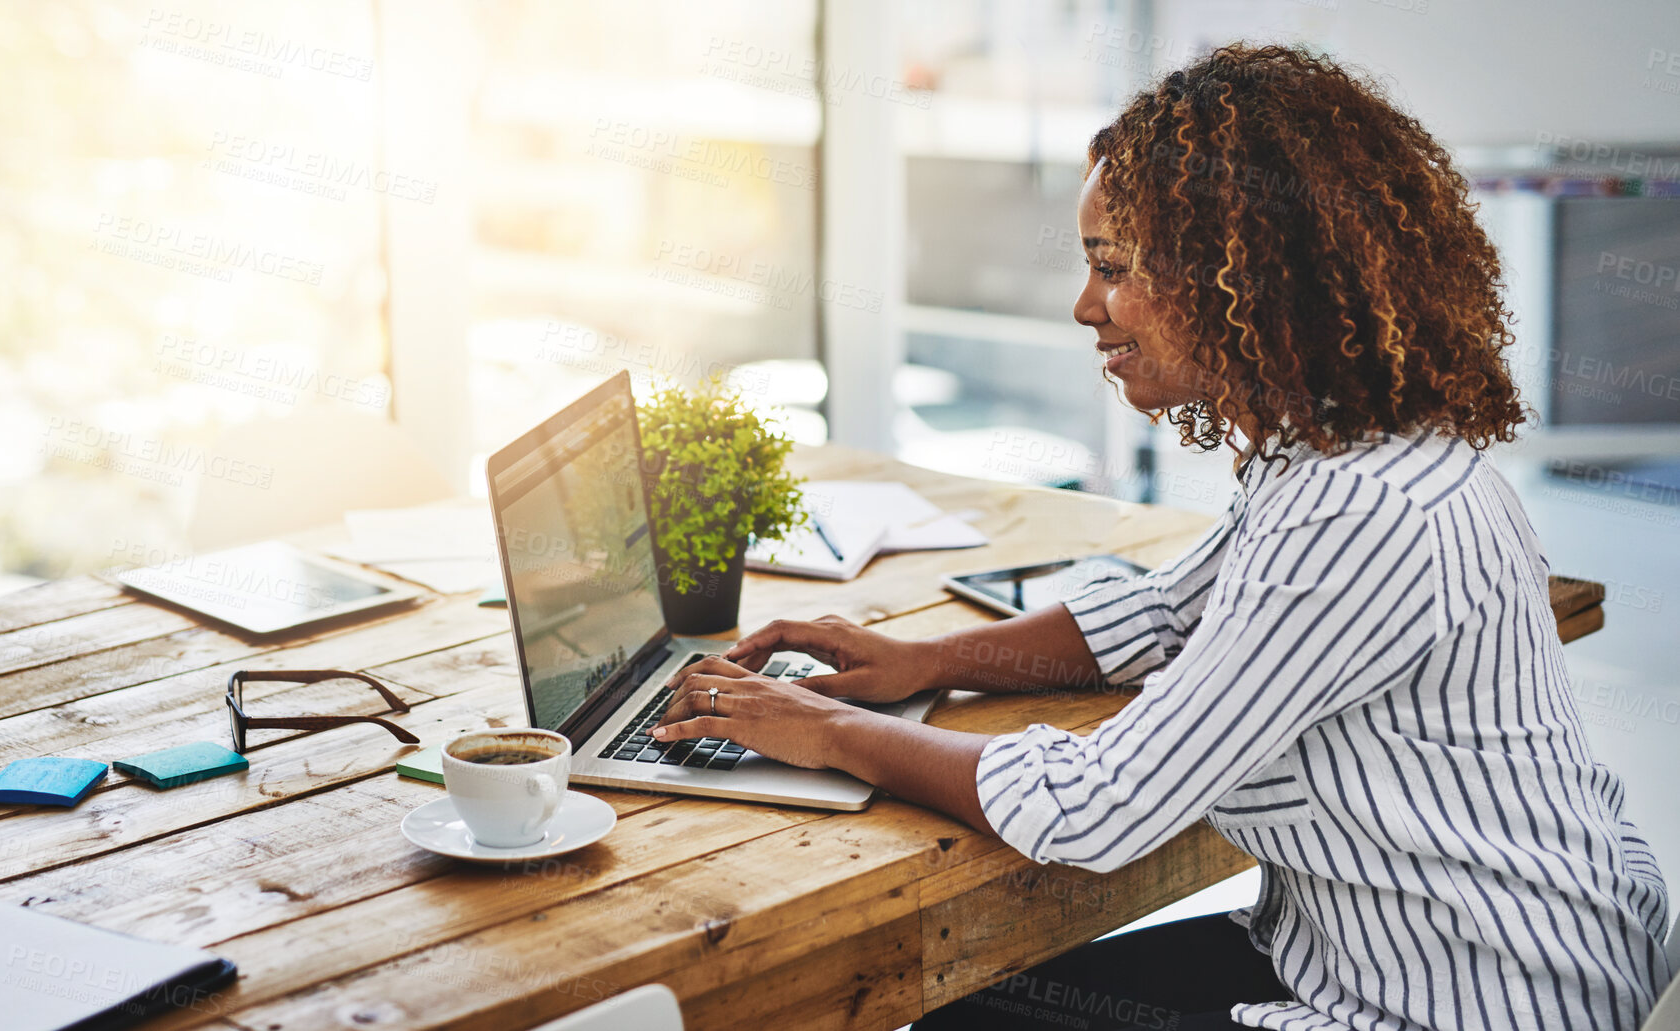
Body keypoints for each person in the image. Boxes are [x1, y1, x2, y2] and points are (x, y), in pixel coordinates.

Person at [650, 42, 1673, 1030]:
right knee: (974, 1008)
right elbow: (1159, 612)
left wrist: (822, 729)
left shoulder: (1360, 510)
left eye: (1112, 266)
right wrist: (921, 658)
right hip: (1379, 948)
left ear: (1243, 275)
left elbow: (1101, 805)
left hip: (1464, 1001)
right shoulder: (1336, 451)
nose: (1084, 304)